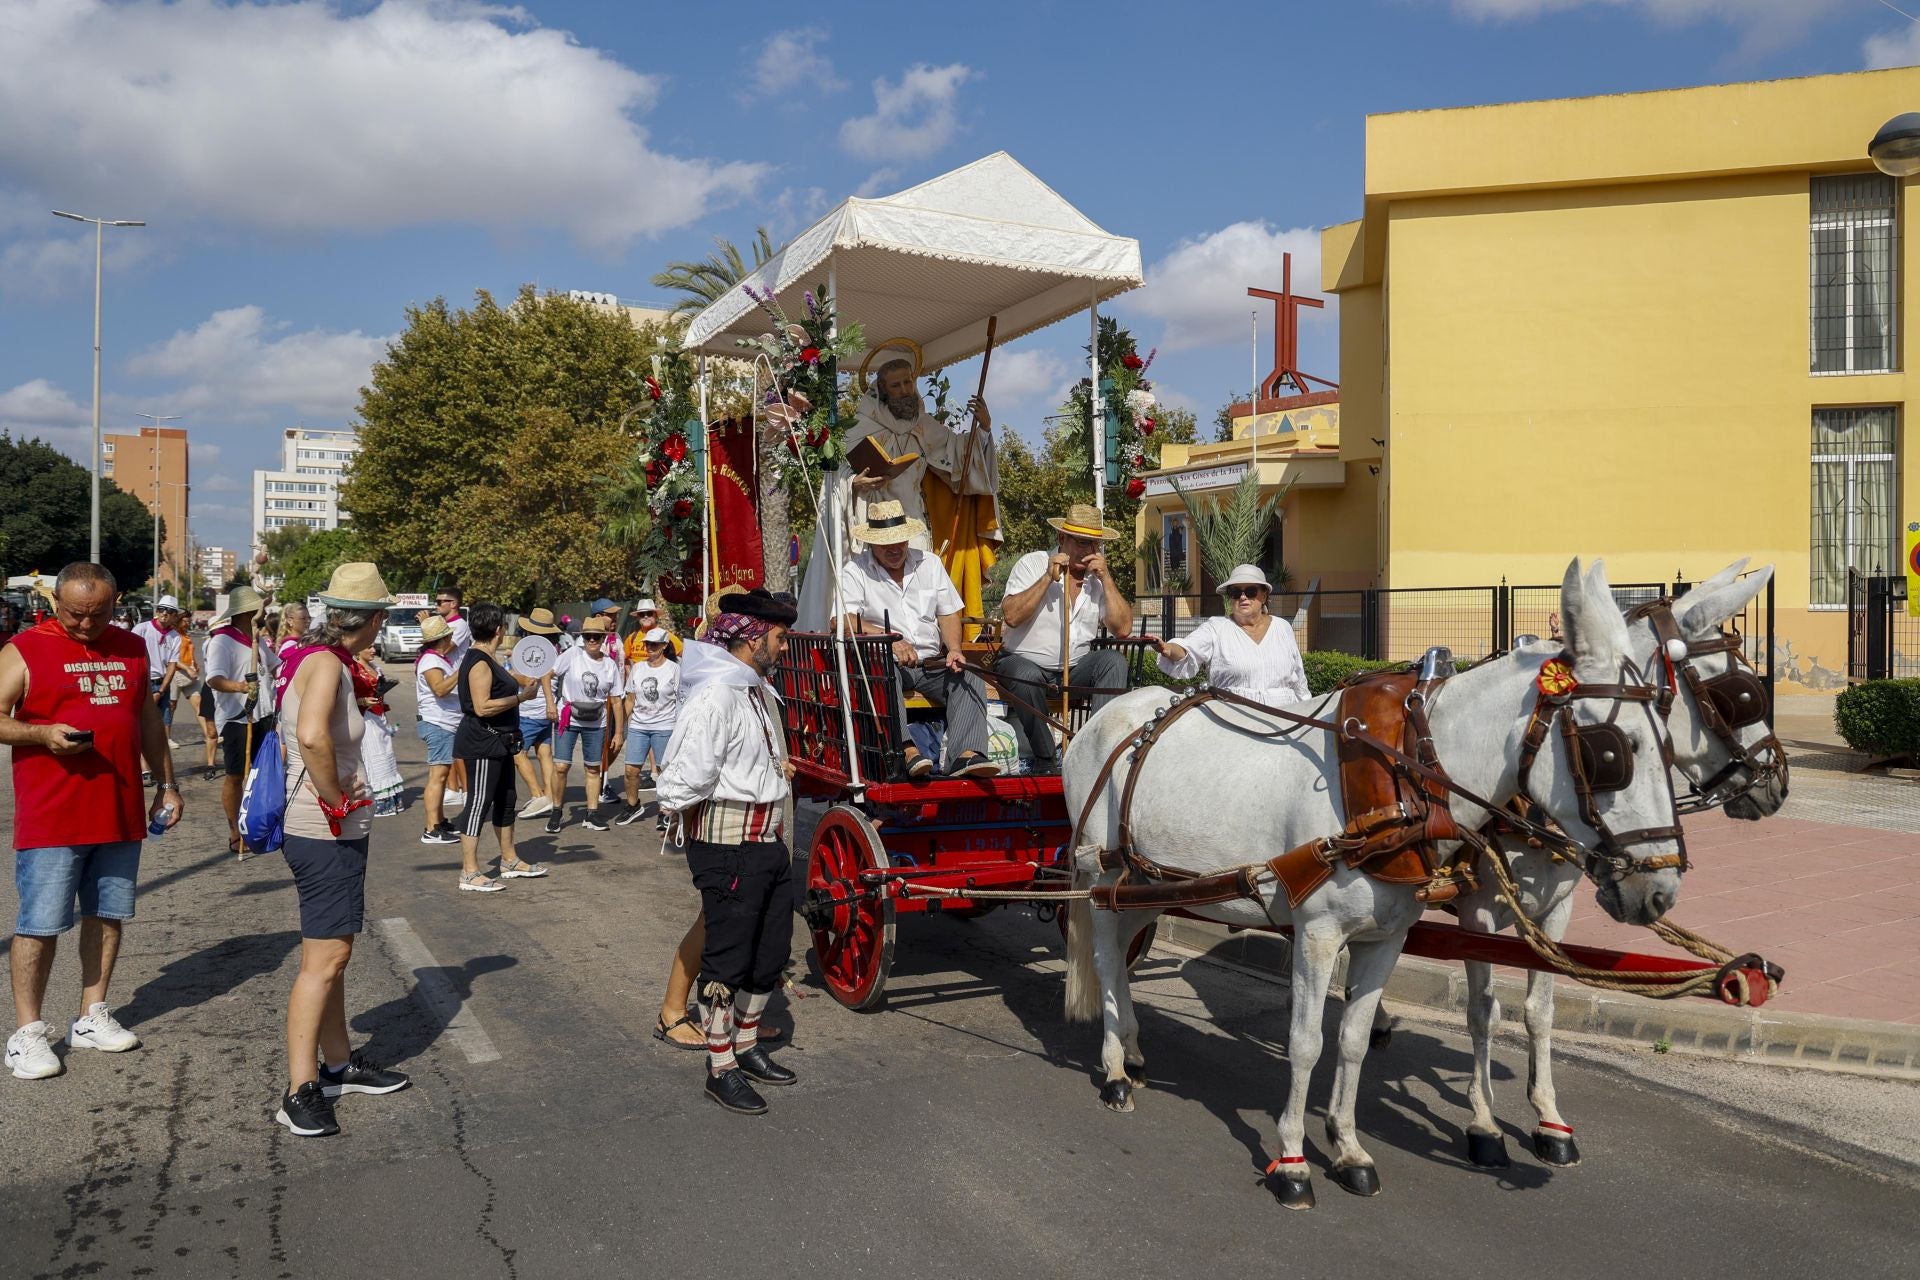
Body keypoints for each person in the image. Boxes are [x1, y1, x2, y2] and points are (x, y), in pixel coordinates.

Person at [1, 563, 179, 1081]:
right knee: (40, 923)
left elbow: (146, 717)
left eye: (97, 614)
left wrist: (167, 784)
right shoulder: (26, 648)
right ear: (56, 601)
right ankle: (27, 1033)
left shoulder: (130, 646)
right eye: (75, 614)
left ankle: (91, 1013)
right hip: (53, 815)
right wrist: (41, 735)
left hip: (119, 810)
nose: (84, 624)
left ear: (116, 602)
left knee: (107, 915)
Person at [273, 563, 410, 1136]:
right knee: (324, 961)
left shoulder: (320, 658)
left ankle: (336, 1064)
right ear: (375, 620)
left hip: (329, 830)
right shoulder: (327, 663)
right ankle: (301, 1089)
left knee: (334, 956)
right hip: (322, 829)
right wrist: (336, 798)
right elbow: (310, 735)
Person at [656, 588, 800, 1115]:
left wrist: (767, 773)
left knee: (770, 950)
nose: (784, 648)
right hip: (729, 842)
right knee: (728, 958)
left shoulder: (752, 689)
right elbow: (684, 780)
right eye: (780, 638)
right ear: (753, 638)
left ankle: (744, 1045)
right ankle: (720, 1068)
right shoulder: (716, 694)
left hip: (765, 837)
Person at [798, 358, 1001, 628]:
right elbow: (835, 478)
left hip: (912, 525)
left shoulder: (923, 425)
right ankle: (883, 649)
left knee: (918, 596)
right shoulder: (858, 427)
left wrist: (984, 430)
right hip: (871, 527)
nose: (906, 390)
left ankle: (921, 649)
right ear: (882, 391)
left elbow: (961, 458)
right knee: (876, 599)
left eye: (909, 382)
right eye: (897, 385)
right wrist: (855, 484)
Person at [837, 500, 999, 778]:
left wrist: (955, 649)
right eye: (886, 544)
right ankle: (906, 751)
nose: (895, 549)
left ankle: (966, 755)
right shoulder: (855, 571)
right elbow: (841, 621)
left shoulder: (930, 563)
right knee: (885, 673)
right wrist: (889, 639)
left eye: (899, 541)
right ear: (872, 544)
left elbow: (948, 612)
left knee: (968, 673)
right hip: (886, 663)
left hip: (930, 663)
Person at [992, 503, 1134, 776]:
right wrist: (1047, 578)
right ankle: (1047, 760)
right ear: (1061, 539)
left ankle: (1096, 753)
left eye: (1095, 544)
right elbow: (1011, 616)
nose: (1089, 551)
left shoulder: (1096, 580)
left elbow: (1123, 629)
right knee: (1024, 672)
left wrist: (1107, 579)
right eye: (1081, 542)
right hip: (1022, 666)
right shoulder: (1032, 563)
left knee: (1113, 661)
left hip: (1074, 671)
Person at [453, 603, 549, 892]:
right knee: (478, 804)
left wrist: (521, 680)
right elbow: (482, 707)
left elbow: (502, 683)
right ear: (499, 630)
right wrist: (522, 698)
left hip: (501, 743)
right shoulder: (479, 662)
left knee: (507, 801)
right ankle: (469, 872)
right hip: (483, 743)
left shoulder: (487, 658)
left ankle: (509, 860)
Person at [1150, 564, 1310, 706]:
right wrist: (1168, 649)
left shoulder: (1283, 628)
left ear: (1264, 595)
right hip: (1233, 721)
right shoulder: (1216, 627)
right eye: (1235, 592)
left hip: (1283, 719)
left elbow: (1298, 677)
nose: (1242, 597)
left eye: (1251, 591)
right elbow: (1187, 649)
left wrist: (1306, 709)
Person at [206, 586, 279, 856]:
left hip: (263, 715)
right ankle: (235, 831)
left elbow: (276, 666)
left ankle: (257, 824)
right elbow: (213, 679)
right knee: (236, 777)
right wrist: (239, 687)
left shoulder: (256, 639)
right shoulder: (221, 640)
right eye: (260, 610)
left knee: (261, 775)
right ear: (247, 613)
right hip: (238, 718)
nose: (265, 614)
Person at [545, 616, 623, 834]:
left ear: (603, 639)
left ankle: (592, 813)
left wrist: (618, 732)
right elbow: (547, 675)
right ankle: (556, 811)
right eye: (588, 636)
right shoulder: (572, 655)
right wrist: (551, 704)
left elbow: (616, 700)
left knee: (593, 768)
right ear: (583, 638)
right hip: (568, 717)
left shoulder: (609, 665)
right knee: (561, 766)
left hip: (596, 721)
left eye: (596, 637)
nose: (592, 640)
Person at [618, 628, 680, 829]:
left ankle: (665, 810)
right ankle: (633, 805)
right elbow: (630, 699)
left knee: (665, 771)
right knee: (630, 770)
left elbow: (681, 700)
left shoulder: (674, 669)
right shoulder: (638, 668)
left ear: (664, 646)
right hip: (638, 725)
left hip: (665, 726)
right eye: (647, 644)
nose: (649, 648)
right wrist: (619, 729)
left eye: (654, 644)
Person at [414, 615, 464, 844]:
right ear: (444, 637)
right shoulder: (430, 661)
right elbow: (440, 689)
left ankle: (439, 821)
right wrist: (460, 673)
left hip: (444, 722)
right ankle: (431, 828)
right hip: (438, 722)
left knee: (441, 776)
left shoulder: (436, 659)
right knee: (438, 775)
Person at [509, 608, 561, 819]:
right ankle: (549, 797)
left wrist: (511, 674)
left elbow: (530, 681)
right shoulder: (555, 651)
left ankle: (538, 795)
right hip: (544, 712)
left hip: (530, 711)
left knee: (516, 752)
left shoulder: (536, 653)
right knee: (544, 753)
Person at [132, 596, 184, 754]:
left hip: (162, 684)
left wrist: (161, 691)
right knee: (140, 723)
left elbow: (172, 665)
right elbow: (130, 656)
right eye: (161, 609)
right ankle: (143, 766)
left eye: (169, 611)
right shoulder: (142, 629)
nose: (164, 613)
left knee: (163, 721)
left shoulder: (175, 637)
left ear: (175, 615)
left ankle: (160, 760)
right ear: (157, 611)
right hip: (143, 682)